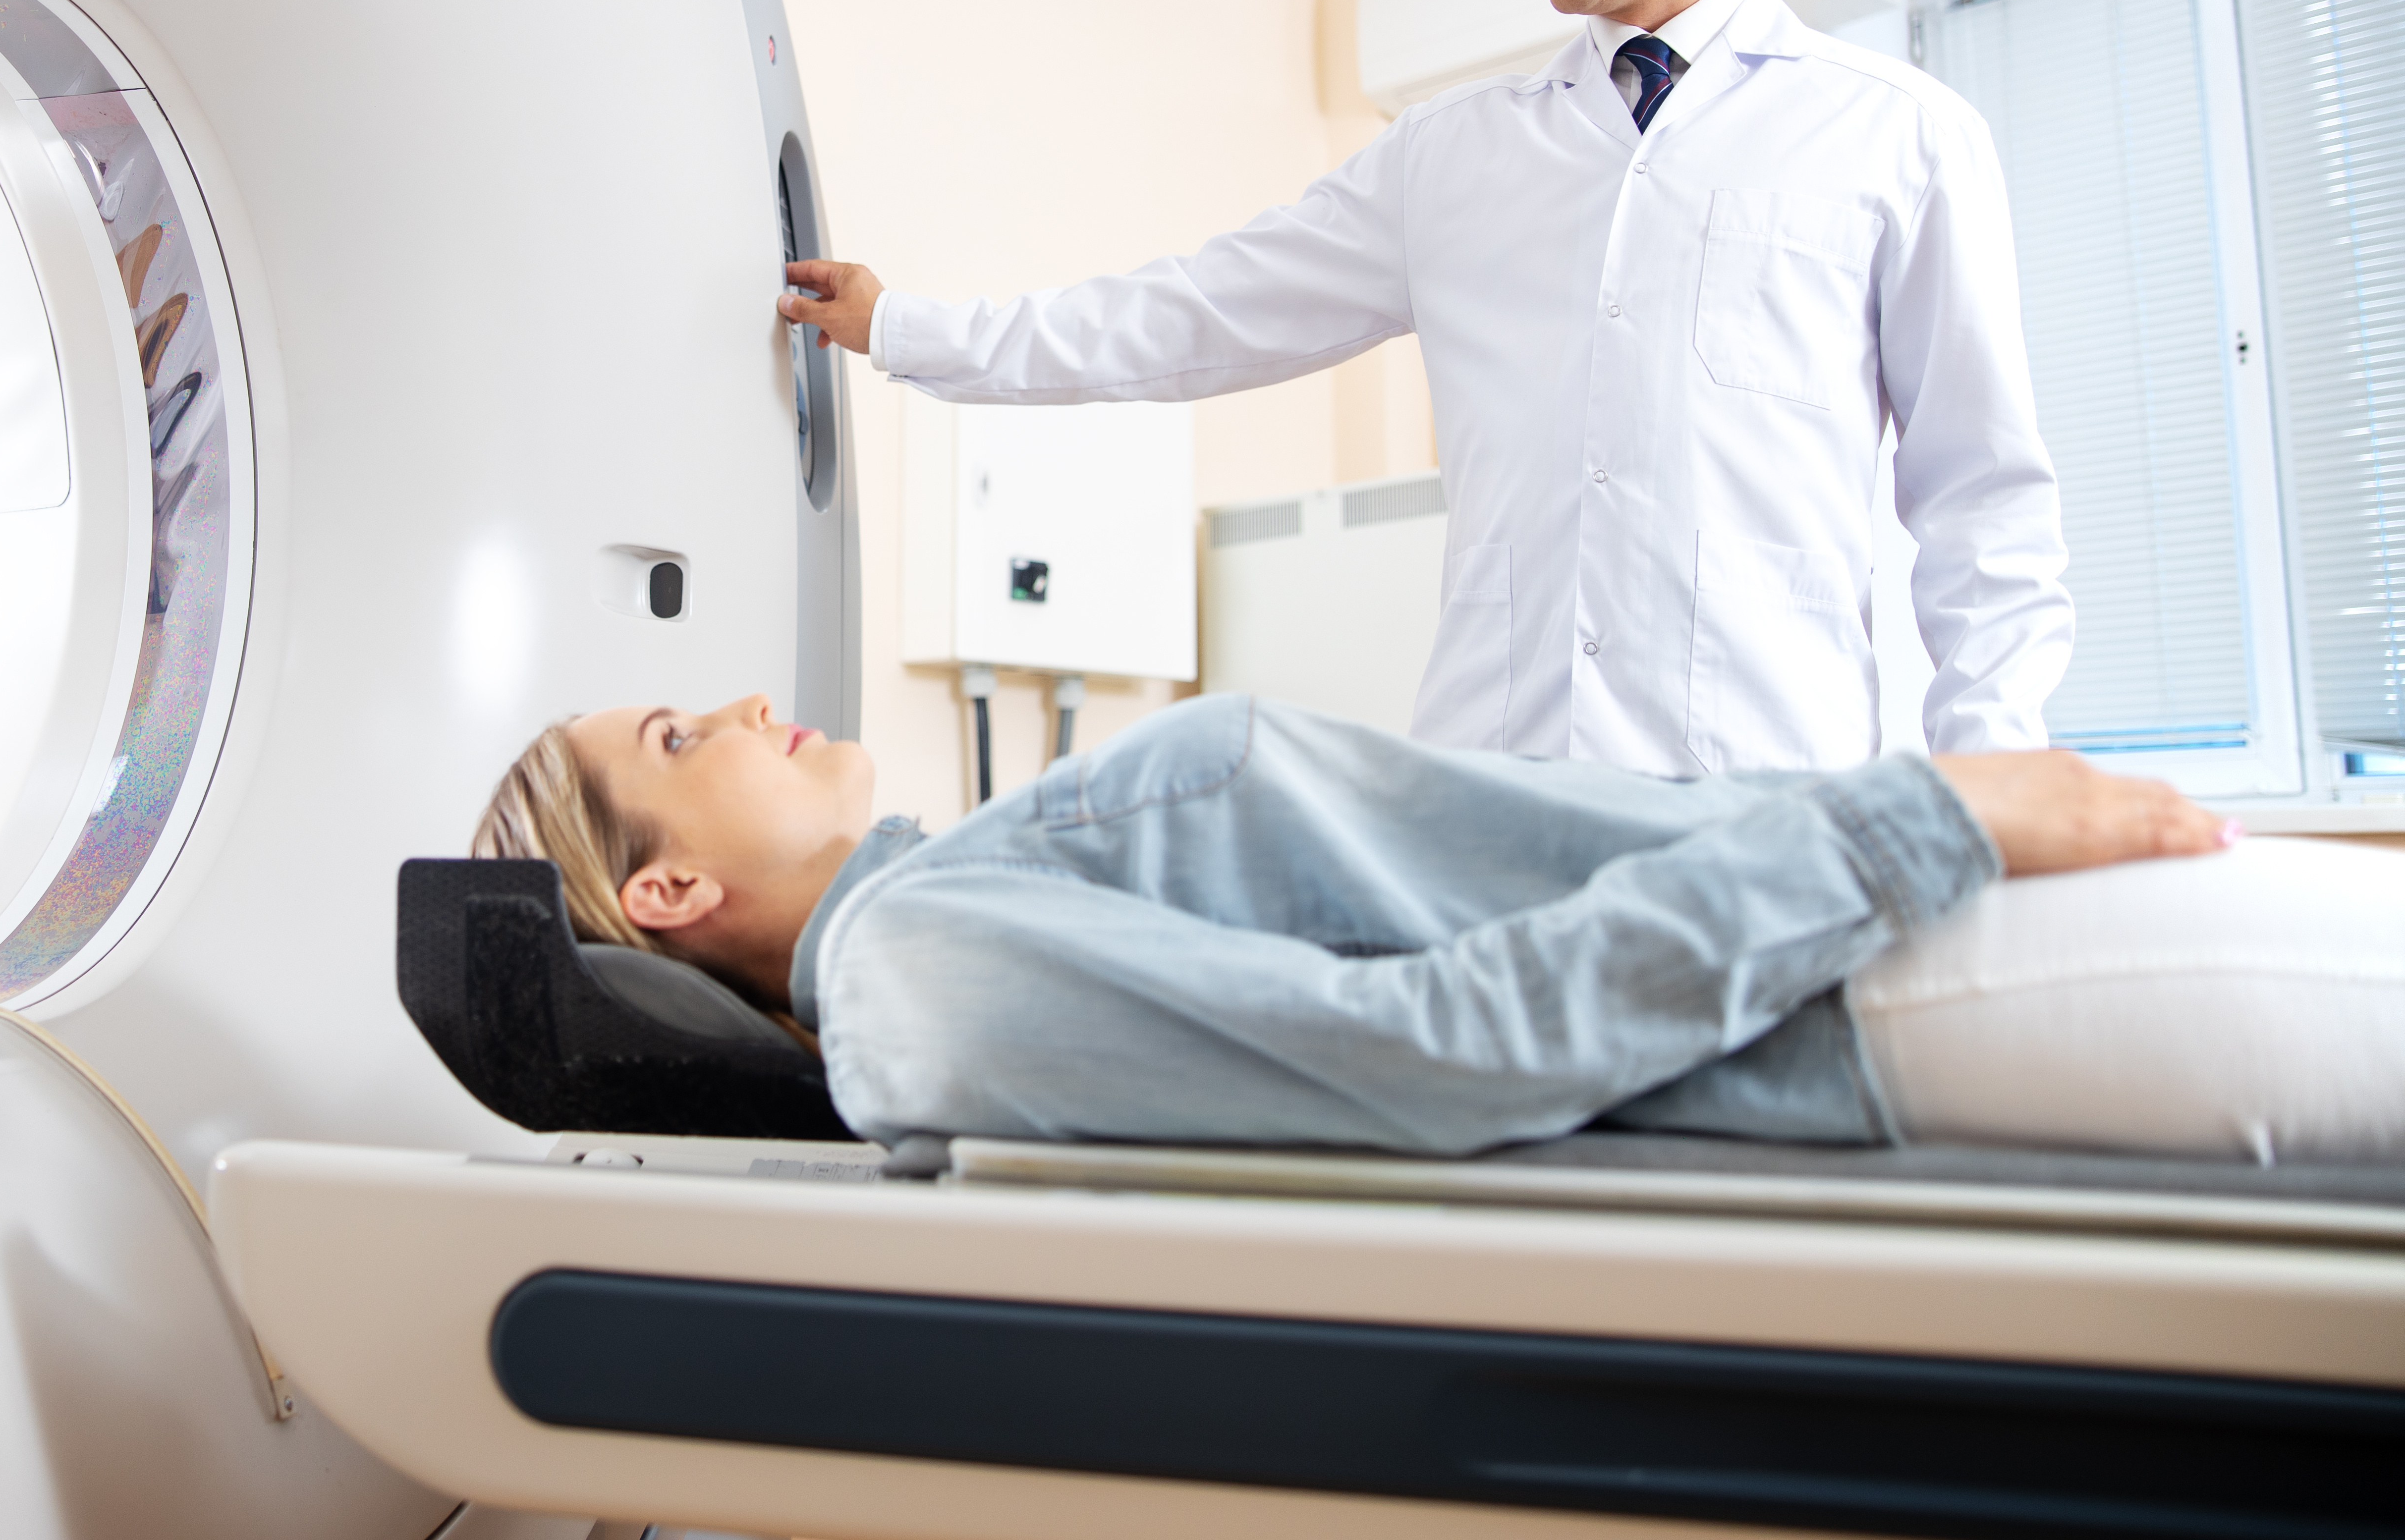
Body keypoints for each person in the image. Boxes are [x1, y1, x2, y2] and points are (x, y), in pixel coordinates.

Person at [779, 0, 2068, 777]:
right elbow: (1192, 315)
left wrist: (1989, 784)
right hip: (1494, 789)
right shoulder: (1457, 159)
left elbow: (1985, 503)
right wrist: (902, 327)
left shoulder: (1896, 136)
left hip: (1771, 789)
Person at [473, 691, 2405, 1162]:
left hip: (1864, 904)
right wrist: (1920, 816)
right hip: (1868, 976)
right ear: (664, 891)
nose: (733, 701)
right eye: (674, 734)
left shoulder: (949, 886)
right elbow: (1436, 1052)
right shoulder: (920, 976)